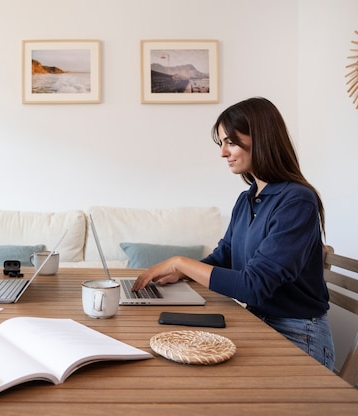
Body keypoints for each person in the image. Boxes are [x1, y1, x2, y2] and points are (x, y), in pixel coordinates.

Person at [133, 97, 335, 370]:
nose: (223, 153)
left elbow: (254, 286)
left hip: (296, 333)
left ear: (260, 138)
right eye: (221, 144)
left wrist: (180, 262)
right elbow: (225, 256)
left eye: (230, 141)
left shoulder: (296, 201)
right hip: (257, 321)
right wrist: (182, 274)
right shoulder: (247, 199)